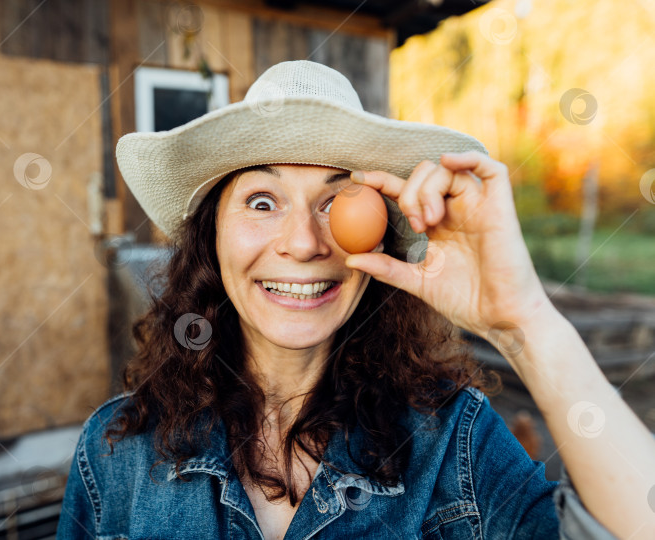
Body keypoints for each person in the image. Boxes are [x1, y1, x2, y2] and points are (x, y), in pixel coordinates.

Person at [56, 60, 655, 539]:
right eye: (263, 201)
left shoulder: (452, 444)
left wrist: (526, 326)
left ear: (381, 239)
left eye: (337, 204)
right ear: (212, 235)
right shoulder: (115, 454)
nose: (303, 244)